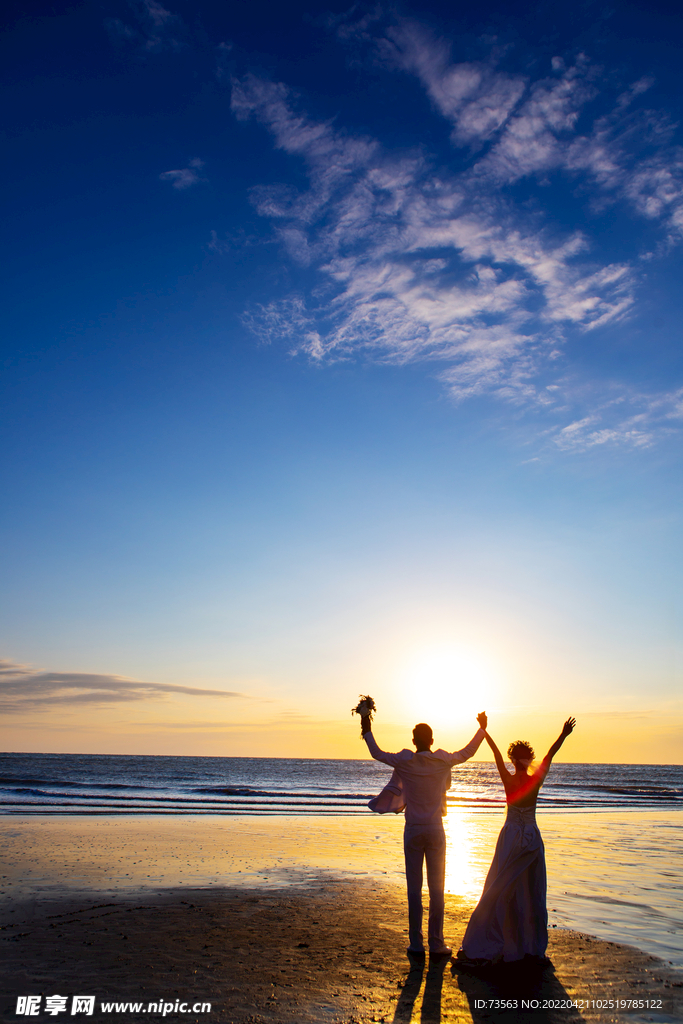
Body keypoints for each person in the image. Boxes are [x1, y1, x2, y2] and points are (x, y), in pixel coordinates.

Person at [359, 711, 488, 958]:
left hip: (414, 830)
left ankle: (416, 944)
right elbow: (467, 752)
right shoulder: (442, 760)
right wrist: (482, 729)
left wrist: (366, 724)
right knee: (437, 888)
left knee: (414, 888)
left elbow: (376, 752)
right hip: (435, 829)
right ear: (431, 740)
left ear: (413, 740)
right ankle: (436, 943)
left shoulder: (405, 761)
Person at [456, 717, 576, 967]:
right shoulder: (536, 780)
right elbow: (551, 754)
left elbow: (496, 753)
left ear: (513, 760)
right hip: (531, 836)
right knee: (530, 891)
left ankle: (499, 941)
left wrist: (485, 730)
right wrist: (563, 734)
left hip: (511, 835)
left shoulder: (508, 778)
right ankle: (527, 946)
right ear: (529, 759)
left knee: (501, 888)